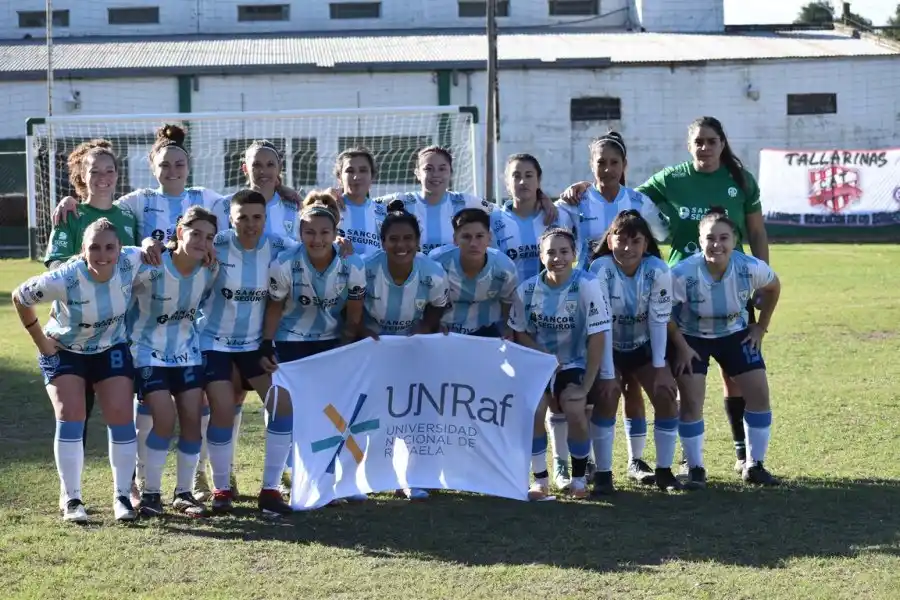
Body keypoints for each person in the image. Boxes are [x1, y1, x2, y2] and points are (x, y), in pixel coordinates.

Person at [637, 117, 770, 474]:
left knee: (736, 376)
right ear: (689, 145)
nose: (705, 148)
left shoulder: (740, 180)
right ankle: (689, 458)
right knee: (687, 375)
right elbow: (630, 200)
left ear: (722, 143)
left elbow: (757, 233)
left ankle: (744, 454)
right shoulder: (673, 178)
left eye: (711, 141)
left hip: (732, 282)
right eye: (698, 141)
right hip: (683, 288)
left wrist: (758, 279)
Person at [556, 133, 670, 487]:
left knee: (632, 387)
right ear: (591, 165)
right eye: (600, 162)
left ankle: (637, 461)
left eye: (614, 162)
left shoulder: (637, 200)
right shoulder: (575, 200)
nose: (607, 169)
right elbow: (556, 234)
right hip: (584, 302)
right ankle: (586, 462)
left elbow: (663, 234)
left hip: (631, 301)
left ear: (624, 167)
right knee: (596, 390)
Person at [12, 219, 144, 523]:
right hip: (66, 350)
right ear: (83, 251)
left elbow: (164, 250)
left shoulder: (130, 260)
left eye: (109, 247)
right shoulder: (66, 277)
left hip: (110, 348)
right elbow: (20, 296)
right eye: (94, 248)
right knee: (71, 415)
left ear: (120, 249)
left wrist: (152, 245)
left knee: (121, 416)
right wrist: (41, 340)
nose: (102, 254)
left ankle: (122, 495)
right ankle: (71, 498)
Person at [43, 140, 139, 475]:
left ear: (117, 174)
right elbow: (54, 269)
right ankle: (73, 492)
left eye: (109, 170)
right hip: (74, 333)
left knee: (123, 412)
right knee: (75, 414)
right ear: (81, 177)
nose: (103, 177)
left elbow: (138, 267)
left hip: (115, 335)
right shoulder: (71, 214)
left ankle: (130, 487)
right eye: (94, 171)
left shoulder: (128, 214)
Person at [264, 191, 367, 503]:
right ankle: (276, 485)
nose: (317, 238)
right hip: (290, 342)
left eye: (324, 232)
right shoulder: (284, 263)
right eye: (309, 231)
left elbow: (355, 311)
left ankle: (328, 481)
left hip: (330, 343)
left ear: (336, 234)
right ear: (300, 232)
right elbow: (274, 307)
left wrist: (349, 345)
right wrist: (265, 346)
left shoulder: (353, 265)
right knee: (287, 411)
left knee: (330, 412)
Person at [199, 189, 296, 516]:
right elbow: (179, 246)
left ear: (266, 219)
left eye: (257, 217)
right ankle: (221, 488)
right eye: (243, 218)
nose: (250, 224)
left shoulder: (279, 247)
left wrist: (340, 246)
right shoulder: (217, 244)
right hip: (214, 344)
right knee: (223, 410)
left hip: (256, 345)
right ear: (231, 218)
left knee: (282, 406)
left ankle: (270, 490)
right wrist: (149, 246)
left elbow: (313, 250)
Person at [668, 208, 781, 489]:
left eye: (724, 238)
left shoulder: (748, 267)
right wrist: (680, 346)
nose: (716, 244)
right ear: (699, 240)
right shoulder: (682, 272)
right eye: (710, 238)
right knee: (692, 401)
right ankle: (694, 468)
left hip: (734, 334)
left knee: (759, 393)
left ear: (734, 240)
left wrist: (760, 327)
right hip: (692, 338)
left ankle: (754, 465)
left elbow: (774, 286)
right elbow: (662, 311)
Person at [508, 227, 615, 499]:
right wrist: (542, 355)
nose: (558, 258)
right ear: (541, 257)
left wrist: (587, 385)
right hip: (539, 362)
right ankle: (540, 480)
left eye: (564, 252)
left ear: (574, 255)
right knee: (534, 410)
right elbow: (519, 332)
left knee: (575, 407)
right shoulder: (527, 290)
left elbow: (598, 337)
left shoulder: (588, 285)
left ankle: (579, 480)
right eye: (551, 252)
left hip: (574, 362)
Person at [129, 205, 219, 518]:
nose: (202, 242)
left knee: (193, 421)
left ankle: (184, 493)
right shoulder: (152, 264)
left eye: (209, 238)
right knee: (164, 420)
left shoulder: (208, 269)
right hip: (147, 352)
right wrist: (144, 242)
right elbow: (121, 269)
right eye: (196, 234)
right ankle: (151, 493)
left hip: (186, 353)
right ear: (180, 232)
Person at [587, 210, 682, 493]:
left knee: (666, 394)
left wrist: (660, 366)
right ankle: (603, 475)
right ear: (610, 240)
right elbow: (600, 323)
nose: (627, 248)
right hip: (607, 346)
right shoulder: (599, 269)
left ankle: (664, 472)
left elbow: (658, 319)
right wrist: (606, 373)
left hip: (643, 346)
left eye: (635, 241)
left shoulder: (657, 270)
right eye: (621, 239)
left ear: (645, 244)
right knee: (608, 394)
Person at [362, 199, 450, 500]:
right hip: (375, 349)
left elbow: (439, 307)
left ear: (418, 241)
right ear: (382, 241)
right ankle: (375, 476)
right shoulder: (366, 269)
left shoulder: (433, 272)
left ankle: (415, 476)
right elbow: (349, 308)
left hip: (414, 349)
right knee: (376, 412)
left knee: (415, 411)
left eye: (408, 238)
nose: (402, 245)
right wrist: (363, 331)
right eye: (394, 239)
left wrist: (424, 329)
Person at [377, 146, 558, 254]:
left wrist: (542, 197)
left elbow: (506, 212)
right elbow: (366, 204)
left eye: (442, 169)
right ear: (417, 173)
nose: (436, 175)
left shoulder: (464, 202)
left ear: (451, 172)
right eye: (428, 169)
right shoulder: (402, 201)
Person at [428, 208, 519, 338]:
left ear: (489, 238)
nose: (473, 243)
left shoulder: (504, 267)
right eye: (466, 237)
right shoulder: (437, 262)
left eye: (479, 236)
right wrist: (433, 325)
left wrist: (507, 329)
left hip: (488, 334)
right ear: (455, 239)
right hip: (446, 332)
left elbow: (508, 301)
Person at [331, 147, 384, 258]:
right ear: (339, 177)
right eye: (350, 171)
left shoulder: (383, 213)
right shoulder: (329, 207)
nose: (356, 177)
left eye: (363, 170)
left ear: (372, 176)